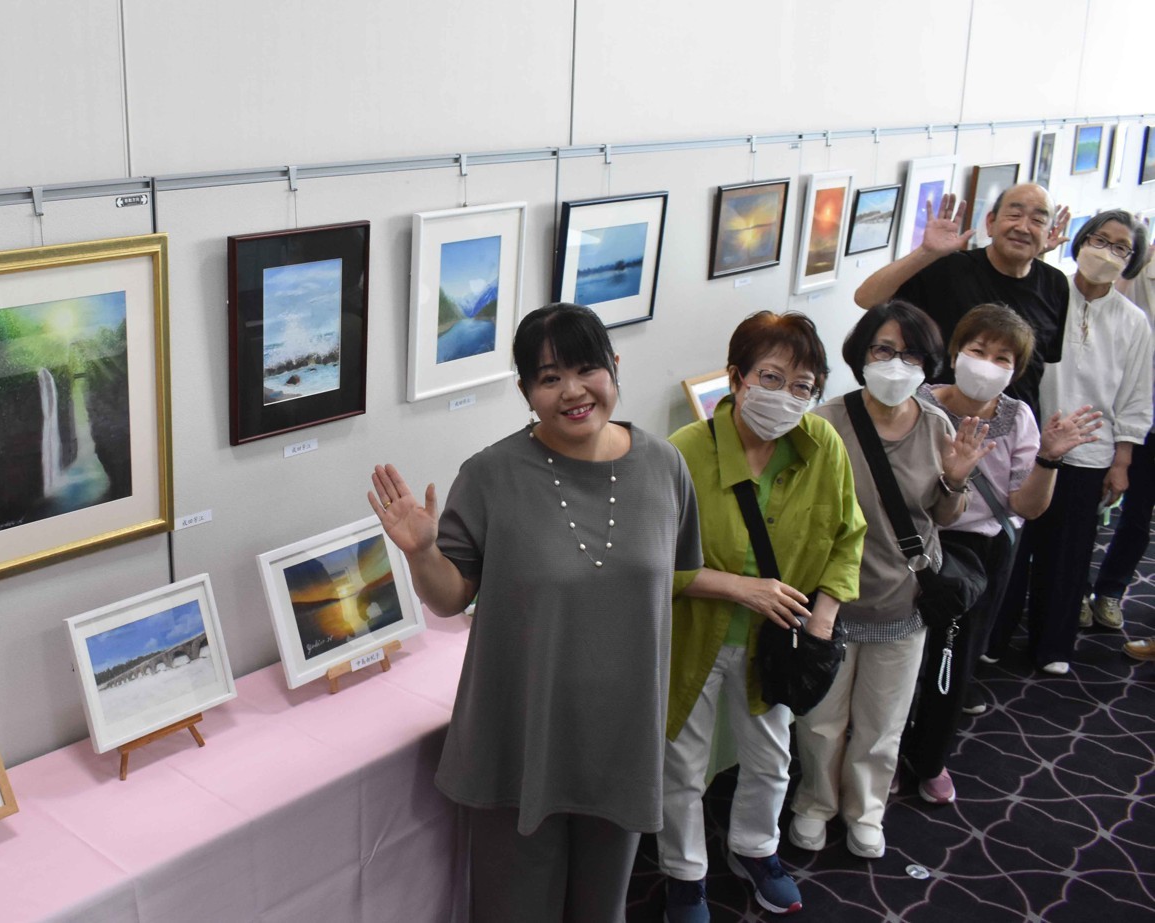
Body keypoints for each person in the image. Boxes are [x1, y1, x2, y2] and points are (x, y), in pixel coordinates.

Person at [368, 303, 702, 923]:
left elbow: (673, 577)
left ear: (614, 366)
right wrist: (421, 553)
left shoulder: (665, 466)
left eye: (586, 369)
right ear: (525, 391)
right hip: (520, 734)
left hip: (622, 738)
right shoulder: (490, 475)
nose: (572, 391)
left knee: (602, 911)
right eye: (549, 378)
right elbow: (450, 598)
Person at [658, 312, 865, 923]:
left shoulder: (821, 445)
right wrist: (739, 588)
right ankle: (684, 874)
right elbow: (647, 563)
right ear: (736, 378)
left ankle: (754, 848)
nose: (786, 397)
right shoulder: (682, 453)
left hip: (778, 642)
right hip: (692, 636)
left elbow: (849, 537)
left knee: (773, 759)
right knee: (683, 765)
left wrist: (821, 621)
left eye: (803, 386)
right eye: (771, 378)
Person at [789, 301, 989, 860]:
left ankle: (866, 810)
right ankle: (815, 802)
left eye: (911, 354)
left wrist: (956, 480)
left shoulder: (936, 425)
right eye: (884, 350)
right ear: (862, 354)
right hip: (830, 603)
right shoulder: (825, 422)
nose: (897, 364)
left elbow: (942, 517)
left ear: (928, 364)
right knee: (821, 722)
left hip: (904, 600)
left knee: (882, 724)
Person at [899, 304, 1100, 805]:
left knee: (954, 660)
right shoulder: (918, 403)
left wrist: (1049, 458)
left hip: (979, 552)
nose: (987, 364)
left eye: (1002, 358)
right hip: (914, 542)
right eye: (978, 350)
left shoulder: (1018, 417)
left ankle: (930, 759)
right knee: (897, 657)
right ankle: (886, 754)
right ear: (955, 353)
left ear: (1016, 369)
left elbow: (1026, 506)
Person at [991, 211, 1153, 674]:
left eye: (1120, 247)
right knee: (1012, 546)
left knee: (1069, 552)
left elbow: (1136, 395)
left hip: (1091, 450)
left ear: (1131, 260)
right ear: (1081, 241)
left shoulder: (1133, 321)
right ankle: (994, 637)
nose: (1106, 252)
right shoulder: (1047, 292)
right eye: (1100, 239)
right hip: (1029, 443)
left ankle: (1053, 646)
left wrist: (1121, 460)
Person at [853, 183, 1070, 420]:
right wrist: (926, 252)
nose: (1023, 227)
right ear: (990, 222)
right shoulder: (950, 268)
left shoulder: (1055, 283)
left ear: (1049, 233)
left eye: (1038, 221)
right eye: (1014, 215)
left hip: (1013, 428)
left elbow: (1040, 365)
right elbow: (866, 298)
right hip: (936, 420)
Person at [1087, 238, 1155, 629]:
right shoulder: (1143, 268)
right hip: (1128, 412)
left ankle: (1111, 591)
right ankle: (1078, 590)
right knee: (1096, 504)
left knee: (1138, 518)